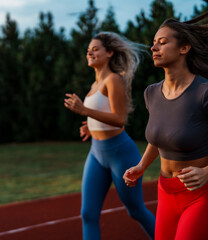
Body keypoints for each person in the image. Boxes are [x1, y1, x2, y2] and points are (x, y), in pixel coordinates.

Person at [123, 12, 208, 240]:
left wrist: (207, 173)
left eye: (162, 42)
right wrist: (141, 166)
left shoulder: (204, 92)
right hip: (166, 192)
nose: (154, 48)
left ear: (184, 48)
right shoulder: (151, 93)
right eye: (153, 44)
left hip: (200, 195)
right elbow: (158, 137)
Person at [64, 32, 155, 240]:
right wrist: (90, 126)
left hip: (120, 153)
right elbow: (103, 114)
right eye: (89, 49)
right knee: (88, 214)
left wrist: (85, 112)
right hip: (96, 152)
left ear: (110, 53)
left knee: (136, 211)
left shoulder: (113, 80)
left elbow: (119, 118)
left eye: (95, 48)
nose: (90, 52)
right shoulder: (94, 85)